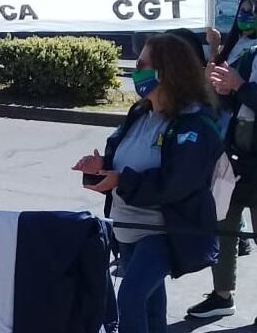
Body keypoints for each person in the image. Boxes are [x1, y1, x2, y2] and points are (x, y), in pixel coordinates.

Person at [73, 33, 222, 333]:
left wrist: (121, 180)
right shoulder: (140, 111)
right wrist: (100, 167)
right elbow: (120, 160)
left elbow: (176, 183)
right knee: (152, 307)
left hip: (162, 230)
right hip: (127, 227)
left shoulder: (194, 123)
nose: (134, 69)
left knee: (130, 297)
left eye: (142, 64)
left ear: (166, 72)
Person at [187, 0, 257, 319]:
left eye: (254, 11)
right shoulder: (236, 45)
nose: (247, 15)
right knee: (225, 227)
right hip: (229, 154)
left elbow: (243, 90)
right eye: (244, 9)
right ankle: (221, 295)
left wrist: (239, 85)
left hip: (255, 156)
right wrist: (214, 49)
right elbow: (211, 89)